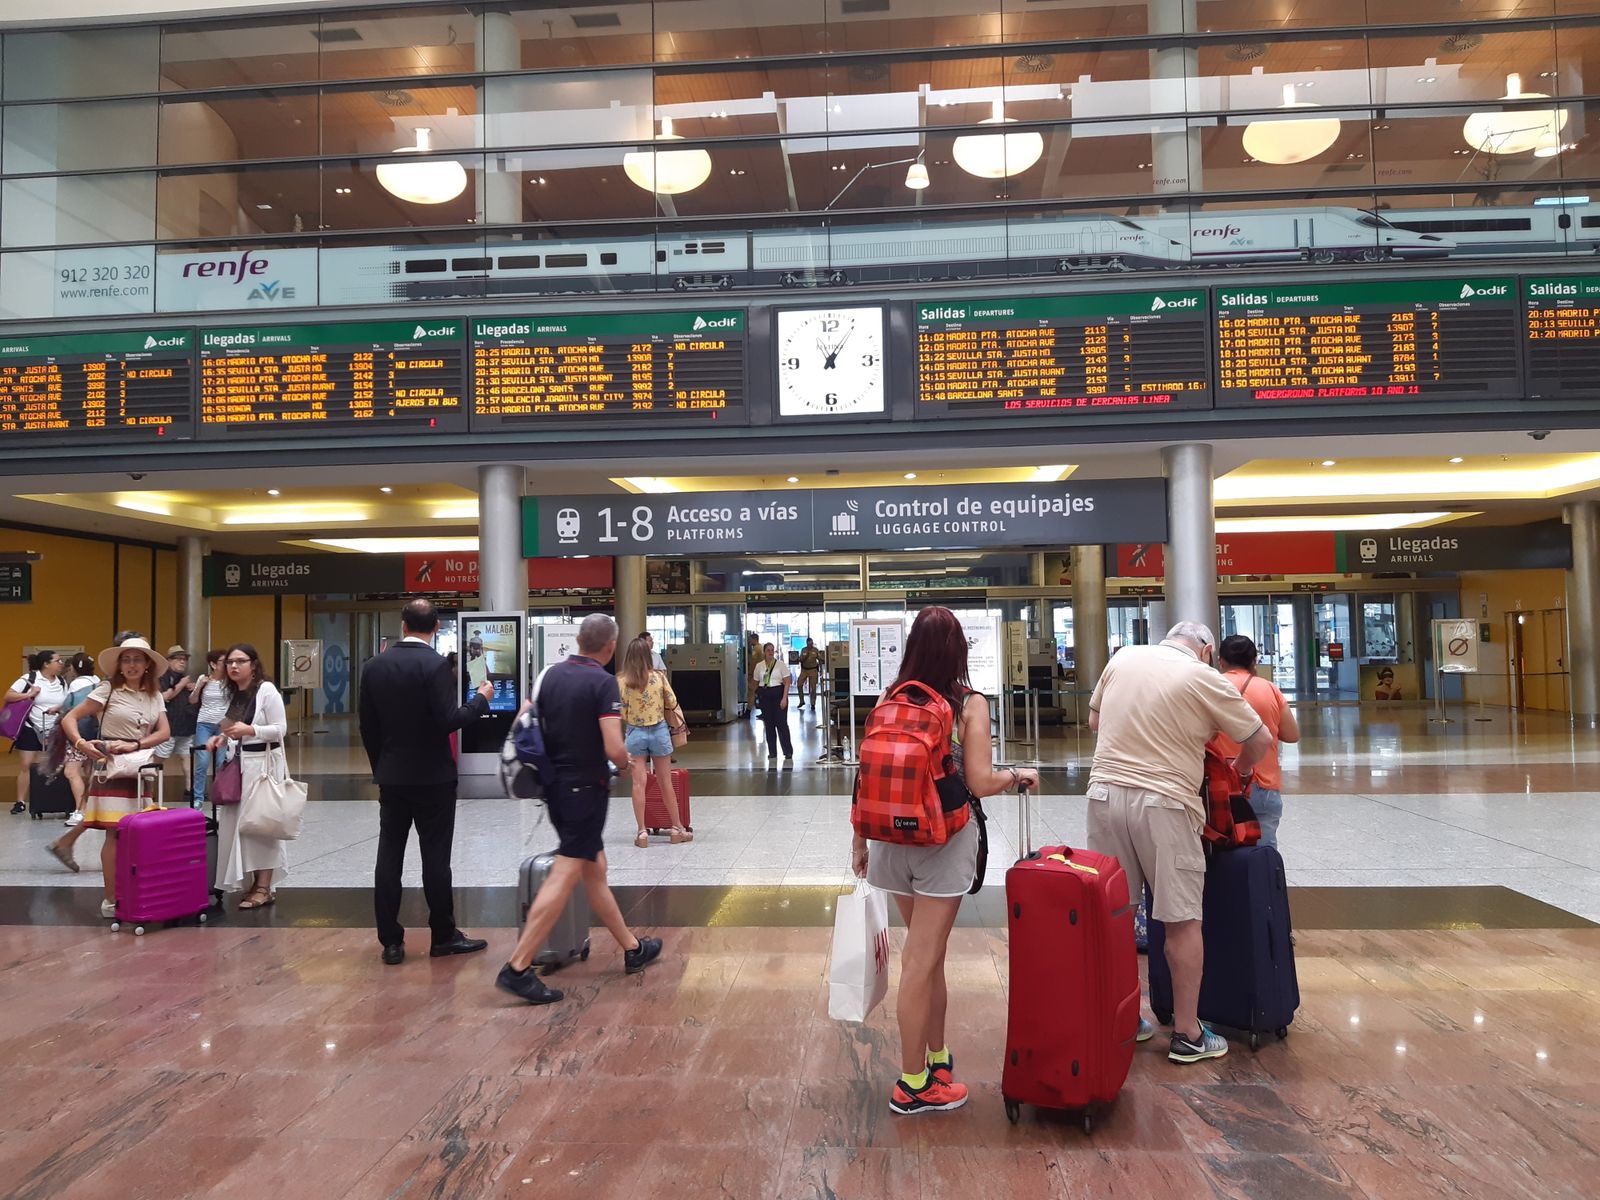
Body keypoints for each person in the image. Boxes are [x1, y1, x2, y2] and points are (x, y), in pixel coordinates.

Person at [850, 606, 1039, 1115]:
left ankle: (936, 1056)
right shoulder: (967, 704)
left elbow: (866, 772)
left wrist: (859, 841)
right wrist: (1016, 774)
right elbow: (979, 781)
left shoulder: (892, 697)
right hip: (941, 842)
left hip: (888, 838)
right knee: (921, 960)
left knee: (926, 956)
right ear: (959, 650)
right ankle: (913, 1084)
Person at [1086, 620, 1274, 1065]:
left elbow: (1096, 721)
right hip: (1165, 806)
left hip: (1103, 795)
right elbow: (1260, 739)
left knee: (1116, 914)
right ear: (1207, 651)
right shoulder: (1202, 677)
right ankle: (1188, 1033)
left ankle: (1125, 1019)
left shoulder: (1124, 657)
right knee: (1182, 919)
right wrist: (1241, 770)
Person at [497, 614, 662, 1005]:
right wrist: (627, 764)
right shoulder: (602, 682)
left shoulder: (550, 676)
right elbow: (611, 744)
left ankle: (632, 948)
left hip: (555, 789)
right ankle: (517, 967)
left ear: (576, 640)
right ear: (610, 648)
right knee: (568, 869)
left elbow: (528, 719)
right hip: (585, 791)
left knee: (594, 869)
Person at [359, 598, 494, 965]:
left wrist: (381, 767)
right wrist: (481, 700)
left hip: (393, 778)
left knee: (389, 856)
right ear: (436, 628)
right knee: (435, 858)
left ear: (403, 625)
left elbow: (368, 727)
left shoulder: (374, 667)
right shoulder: (434, 666)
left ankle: (390, 940)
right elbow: (449, 720)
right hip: (433, 778)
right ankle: (443, 935)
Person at [55, 639, 170, 916]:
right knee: (114, 833)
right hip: (113, 766)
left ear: (147, 665)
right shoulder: (107, 690)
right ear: (119, 665)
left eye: (137, 660)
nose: (131, 665)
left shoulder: (154, 694)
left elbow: (164, 732)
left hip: (141, 767)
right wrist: (82, 745)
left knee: (138, 833)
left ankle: (135, 892)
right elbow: (69, 718)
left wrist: (137, 745)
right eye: (126, 659)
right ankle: (111, 898)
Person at [205, 644, 290, 910]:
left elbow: (280, 729)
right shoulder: (237, 694)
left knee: (262, 825)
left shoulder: (266, 690)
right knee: (242, 827)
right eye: (230, 662)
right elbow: (232, 729)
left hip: (263, 767)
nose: (234, 666)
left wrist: (251, 730)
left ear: (253, 665)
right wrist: (222, 738)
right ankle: (255, 882)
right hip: (241, 765)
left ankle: (264, 886)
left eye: (240, 661)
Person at [1214, 635, 1299, 848]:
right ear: (1254, 661)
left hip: (1221, 784)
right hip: (1263, 784)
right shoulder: (1269, 689)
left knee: (1220, 850)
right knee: (1263, 855)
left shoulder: (1211, 688)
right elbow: (1292, 735)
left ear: (1220, 661)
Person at [616, 635, 691, 847]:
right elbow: (673, 702)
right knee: (665, 781)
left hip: (635, 733)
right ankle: (677, 829)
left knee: (638, 783)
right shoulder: (658, 678)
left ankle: (642, 833)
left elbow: (621, 711)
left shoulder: (621, 680)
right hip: (659, 732)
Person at [7, 650, 67, 815]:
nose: (60, 663)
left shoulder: (62, 681)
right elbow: (8, 696)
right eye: (57, 660)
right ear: (46, 664)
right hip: (31, 727)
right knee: (26, 764)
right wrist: (30, 694)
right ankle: (20, 801)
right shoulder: (29, 678)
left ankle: (50, 799)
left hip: (54, 728)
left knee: (51, 765)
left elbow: (66, 702)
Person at [58, 653, 101, 828]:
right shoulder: (98, 682)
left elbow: (69, 708)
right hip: (96, 732)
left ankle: (80, 811)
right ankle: (91, 809)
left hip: (78, 733)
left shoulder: (76, 684)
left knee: (71, 771)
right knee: (90, 770)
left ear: (74, 668)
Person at [156, 646, 198, 801]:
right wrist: (181, 685)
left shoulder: (184, 677)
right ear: (169, 661)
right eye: (178, 659)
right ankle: (148, 785)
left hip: (185, 724)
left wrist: (195, 688)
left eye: (184, 659)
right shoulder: (163, 677)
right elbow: (164, 696)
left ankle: (190, 790)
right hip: (169, 725)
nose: (182, 662)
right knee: (159, 757)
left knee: (186, 756)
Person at [189, 650, 229, 809]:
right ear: (213, 664)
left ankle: (219, 797)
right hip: (204, 723)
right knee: (202, 762)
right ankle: (198, 798)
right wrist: (199, 686)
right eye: (223, 662)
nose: (227, 665)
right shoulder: (203, 679)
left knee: (221, 763)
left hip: (223, 725)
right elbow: (192, 700)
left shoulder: (230, 681)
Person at [753, 642, 793, 760]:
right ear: (764, 652)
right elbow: (755, 682)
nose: (770, 652)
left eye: (772, 650)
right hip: (765, 696)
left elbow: (787, 682)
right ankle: (772, 752)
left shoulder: (780, 665)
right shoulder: (759, 666)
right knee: (769, 725)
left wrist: (784, 698)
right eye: (768, 650)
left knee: (781, 724)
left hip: (778, 695)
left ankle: (787, 751)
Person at [798, 637, 822, 707]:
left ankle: (813, 703)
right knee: (799, 684)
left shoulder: (815, 650)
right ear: (806, 644)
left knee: (813, 688)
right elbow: (800, 659)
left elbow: (820, 659)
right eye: (809, 644)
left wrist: (820, 670)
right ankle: (801, 701)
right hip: (804, 670)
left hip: (813, 670)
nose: (810, 646)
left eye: (811, 644)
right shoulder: (803, 650)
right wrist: (805, 656)